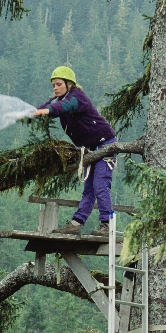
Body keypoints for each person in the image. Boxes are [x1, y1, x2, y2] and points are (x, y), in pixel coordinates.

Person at [33, 66, 117, 237]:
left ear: (69, 84)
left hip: (105, 144)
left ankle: (107, 225)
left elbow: (64, 107)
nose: (55, 88)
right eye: (53, 85)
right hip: (91, 148)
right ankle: (76, 223)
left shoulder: (77, 97)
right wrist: (35, 111)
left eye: (58, 84)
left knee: (100, 185)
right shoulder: (60, 99)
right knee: (89, 189)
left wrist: (48, 110)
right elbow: (50, 105)